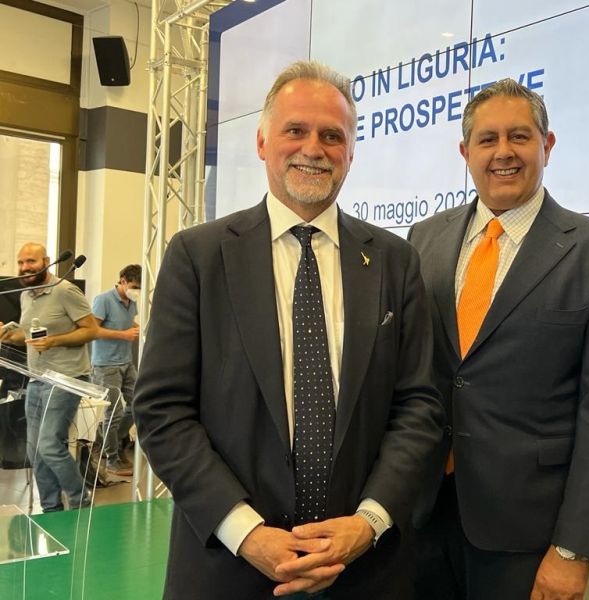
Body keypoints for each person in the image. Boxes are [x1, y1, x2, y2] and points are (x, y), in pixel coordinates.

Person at [133, 60, 444, 600]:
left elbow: (419, 405)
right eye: (295, 130)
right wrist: (246, 533)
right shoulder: (198, 257)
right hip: (228, 568)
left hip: (366, 570)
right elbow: (163, 411)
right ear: (262, 142)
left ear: (351, 152)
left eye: (332, 136)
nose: (313, 148)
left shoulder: (395, 261)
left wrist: (368, 522)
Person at [408, 79, 589, 599]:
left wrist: (573, 549)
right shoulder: (424, 239)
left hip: (527, 534)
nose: (503, 152)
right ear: (465, 152)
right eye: (487, 139)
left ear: (547, 144)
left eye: (519, 136)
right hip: (422, 516)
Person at [0, 242, 98, 511]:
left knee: (49, 446)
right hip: (36, 379)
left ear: (46, 261)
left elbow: (91, 330)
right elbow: (27, 335)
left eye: (31, 261)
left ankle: (81, 501)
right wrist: (7, 334)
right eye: (21, 262)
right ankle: (51, 509)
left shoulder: (65, 291)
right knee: (35, 450)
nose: (25, 267)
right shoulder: (26, 295)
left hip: (66, 378)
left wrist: (54, 341)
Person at [91, 264, 141, 477]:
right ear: (122, 281)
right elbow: (92, 330)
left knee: (139, 403)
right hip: (106, 365)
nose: (136, 291)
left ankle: (107, 443)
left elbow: (128, 324)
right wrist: (124, 334)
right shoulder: (103, 300)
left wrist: (137, 328)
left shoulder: (132, 302)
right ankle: (111, 459)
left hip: (126, 362)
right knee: (114, 412)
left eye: (139, 288)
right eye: (134, 286)